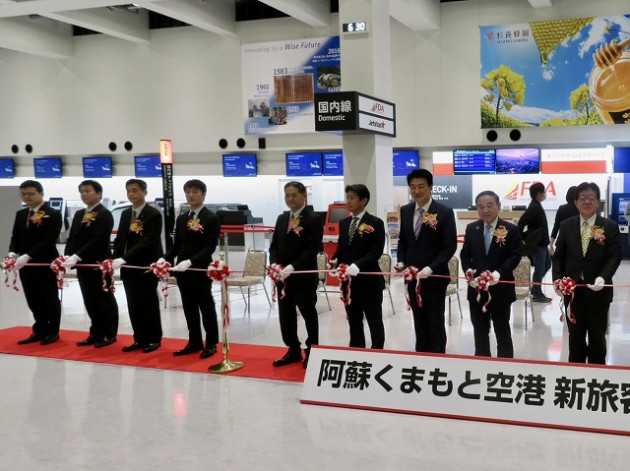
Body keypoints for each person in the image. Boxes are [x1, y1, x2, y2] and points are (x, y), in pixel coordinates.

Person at [552, 182, 621, 364]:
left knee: (597, 337)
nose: (587, 201)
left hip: (599, 292)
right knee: (575, 337)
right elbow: (558, 257)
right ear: (576, 202)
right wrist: (557, 280)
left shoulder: (609, 226)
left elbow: (614, 256)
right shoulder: (566, 226)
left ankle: (597, 375)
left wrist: (603, 277)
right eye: (583, 198)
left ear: (598, 202)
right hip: (573, 292)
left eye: (592, 198)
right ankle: (576, 374)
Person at [396, 169, 457, 353]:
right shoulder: (406, 210)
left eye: (421, 186)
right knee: (419, 319)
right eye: (413, 187)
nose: (417, 191)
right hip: (412, 277)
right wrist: (401, 262)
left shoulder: (444, 212)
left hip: (435, 277)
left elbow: (450, 246)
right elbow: (403, 241)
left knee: (435, 320)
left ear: (431, 187)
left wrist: (431, 268)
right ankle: (421, 355)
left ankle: (437, 356)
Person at [161, 179, 220, 359]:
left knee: (206, 306)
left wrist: (191, 261)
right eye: (188, 192)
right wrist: (164, 259)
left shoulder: (211, 218)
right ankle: (194, 341)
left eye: (195, 191)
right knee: (188, 306)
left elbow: (209, 247)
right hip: (182, 271)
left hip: (200, 270)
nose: (191, 195)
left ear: (203, 194)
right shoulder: (182, 218)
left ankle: (211, 343)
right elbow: (176, 246)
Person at [460, 191, 522, 358]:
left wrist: (498, 273)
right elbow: (465, 255)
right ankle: (482, 365)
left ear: (498, 206)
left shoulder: (510, 229)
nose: (485, 210)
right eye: (481, 207)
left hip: (501, 291)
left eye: (489, 206)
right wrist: (468, 271)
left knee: (502, 332)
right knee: (480, 332)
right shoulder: (472, 228)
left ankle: (505, 366)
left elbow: (515, 255)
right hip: (477, 291)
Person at [269, 181, 323, 368]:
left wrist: (292, 267)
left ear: (304, 196)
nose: (290, 199)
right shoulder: (282, 218)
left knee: (309, 314)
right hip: (283, 278)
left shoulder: (313, 219)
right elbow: (274, 246)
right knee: (286, 315)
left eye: (294, 195)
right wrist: (275, 264)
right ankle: (293, 349)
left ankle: (312, 350)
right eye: (287, 195)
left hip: (303, 276)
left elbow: (312, 250)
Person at [63, 180, 119, 348]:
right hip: (82, 264)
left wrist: (78, 255)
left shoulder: (104, 214)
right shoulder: (80, 214)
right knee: (89, 299)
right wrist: (68, 255)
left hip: (98, 264)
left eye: (88, 191)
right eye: (82, 191)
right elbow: (72, 237)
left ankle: (109, 333)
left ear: (99, 193)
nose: (84, 194)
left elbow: (98, 239)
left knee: (104, 299)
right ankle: (96, 332)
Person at [112, 179, 164, 353]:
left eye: (135, 190)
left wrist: (125, 258)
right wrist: (114, 258)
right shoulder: (126, 213)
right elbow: (120, 238)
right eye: (129, 191)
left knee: (148, 302)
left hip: (145, 265)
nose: (131, 194)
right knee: (133, 303)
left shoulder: (153, 214)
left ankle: (154, 339)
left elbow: (148, 241)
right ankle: (139, 338)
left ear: (144, 192)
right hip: (128, 267)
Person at [332, 184, 386, 350]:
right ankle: (356, 351)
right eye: (347, 197)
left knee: (374, 320)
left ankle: (377, 350)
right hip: (349, 284)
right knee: (354, 321)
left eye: (352, 198)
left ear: (364, 200)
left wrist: (358, 265)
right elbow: (341, 248)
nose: (348, 201)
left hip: (370, 282)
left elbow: (376, 251)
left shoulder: (375, 222)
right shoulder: (344, 223)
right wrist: (334, 261)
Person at [9, 180, 63, 345]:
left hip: (45, 263)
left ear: (41, 194)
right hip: (25, 265)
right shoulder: (21, 214)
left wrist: (28, 255)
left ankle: (53, 331)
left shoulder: (52, 214)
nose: (27, 197)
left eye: (31, 194)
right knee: (33, 298)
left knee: (49, 297)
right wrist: (13, 252)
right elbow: (15, 237)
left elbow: (48, 240)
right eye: (24, 194)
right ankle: (39, 329)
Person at [517, 182, 551, 302]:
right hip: (537, 245)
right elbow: (521, 224)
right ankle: (536, 292)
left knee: (547, 265)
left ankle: (535, 287)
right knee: (540, 268)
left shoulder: (536, 206)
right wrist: (523, 238)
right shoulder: (534, 207)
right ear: (538, 194)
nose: (544, 194)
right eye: (543, 192)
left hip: (542, 244)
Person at [548, 186, 579, 256]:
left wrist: (551, 244)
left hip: (562, 242)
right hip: (577, 243)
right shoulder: (580, 210)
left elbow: (556, 227)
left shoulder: (561, 209)